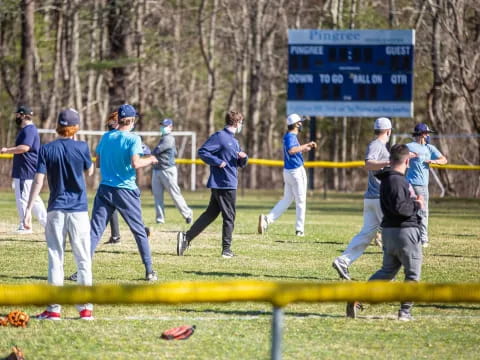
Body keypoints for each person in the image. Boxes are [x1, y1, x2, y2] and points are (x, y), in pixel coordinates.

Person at [23, 108, 94, 320]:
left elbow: (38, 180)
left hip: (55, 209)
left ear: (58, 125)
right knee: (83, 260)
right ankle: (85, 309)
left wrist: (28, 209)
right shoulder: (82, 146)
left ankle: (54, 309)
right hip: (79, 210)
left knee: (56, 257)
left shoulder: (46, 149)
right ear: (76, 127)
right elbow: (89, 171)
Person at [347, 144, 424, 321]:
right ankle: (405, 312)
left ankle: (358, 297)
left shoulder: (388, 179)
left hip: (390, 232)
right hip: (404, 231)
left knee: (387, 272)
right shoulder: (397, 180)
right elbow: (401, 208)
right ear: (407, 160)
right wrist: (417, 203)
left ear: (390, 160)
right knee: (412, 275)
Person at [89, 104, 159, 281]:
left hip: (105, 188)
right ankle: (150, 270)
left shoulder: (106, 137)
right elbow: (136, 164)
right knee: (139, 231)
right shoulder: (133, 138)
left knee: (95, 231)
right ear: (132, 120)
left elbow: (98, 163)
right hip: (125, 190)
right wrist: (150, 159)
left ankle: (81, 271)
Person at [176, 110, 248, 258]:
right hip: (223, 183)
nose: (242, 125)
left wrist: (244, 157)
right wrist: (217, 162)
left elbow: (240, 163)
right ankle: (226, 250)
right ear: (236, 122)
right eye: (241, 122)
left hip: (229, 182)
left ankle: (186, 238)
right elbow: (203, 152)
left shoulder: (234, 141)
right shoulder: (220, 136)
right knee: (229, 217)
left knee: (210, 214)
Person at [332, 117, 392, 280]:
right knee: (390, 233)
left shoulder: (379, 146)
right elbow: (368, 164)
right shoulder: (376, 145)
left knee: (367, 234)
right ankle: (389, 273)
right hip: (379, 197)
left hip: (373, 197)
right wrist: (389, 162)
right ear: (388, 131)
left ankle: (342, 261)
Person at [258, 113, 316, 237]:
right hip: (296, 171)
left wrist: (304, 148)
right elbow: (292, 150)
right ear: (295, 125)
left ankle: (267, 220)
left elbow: (294, 150)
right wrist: (306, 146)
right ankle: (299, 230)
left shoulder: (288, 136)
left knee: (287, 199)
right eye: (299, 122)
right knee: (301, 201)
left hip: (288, 172)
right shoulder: (291, 137)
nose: (301, 124)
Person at [0, 105, 47, 234]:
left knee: (23, 198)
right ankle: (48, 225)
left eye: (18, 115)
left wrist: (7, 150)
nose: (16, 117)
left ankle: (25, 225)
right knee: (34, 199)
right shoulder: (28, 130)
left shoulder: (29, 130)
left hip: (24, 171)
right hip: (28, 170)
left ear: (23, 115)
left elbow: (25, 148)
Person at [406, 123, 447, 247]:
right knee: (409, 211)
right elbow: (396, 155)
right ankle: (415, 237)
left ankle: (422, 238)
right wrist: (408, 156)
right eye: (427, 133)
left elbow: (444, 160)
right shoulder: (409, 146)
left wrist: (433, 161)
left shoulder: (430, 148)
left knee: (422, 212)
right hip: (409, 184)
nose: (429, 135)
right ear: (422, 134)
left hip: (423, 186)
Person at [151, 118, 193, 225]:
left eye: (165, 126)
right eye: (162, 125)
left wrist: (146, 151)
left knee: (175, 194)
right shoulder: (163, 137)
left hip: (167, 170)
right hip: (157, 170)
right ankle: (160, 219)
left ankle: (187, 214)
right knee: (157, 196)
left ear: (170, 127)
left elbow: (157, 150)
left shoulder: (169, 139)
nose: (162, 128)